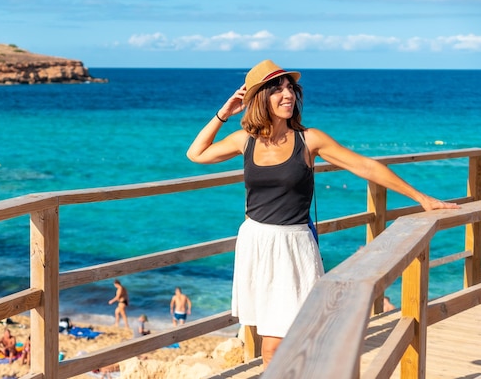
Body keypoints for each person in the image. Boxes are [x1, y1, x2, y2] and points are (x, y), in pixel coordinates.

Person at [186, 59, 460, 369]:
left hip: (294, 245)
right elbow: (196, 153)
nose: (288, 95)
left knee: (286, 340)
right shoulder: (245, 141)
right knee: (272, 339)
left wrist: (421, 198)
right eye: (278, 89)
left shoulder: (309, 139)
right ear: (260, 97)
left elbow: (365, 166)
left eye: (291, 88)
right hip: (256, 242)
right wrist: (225, 112)